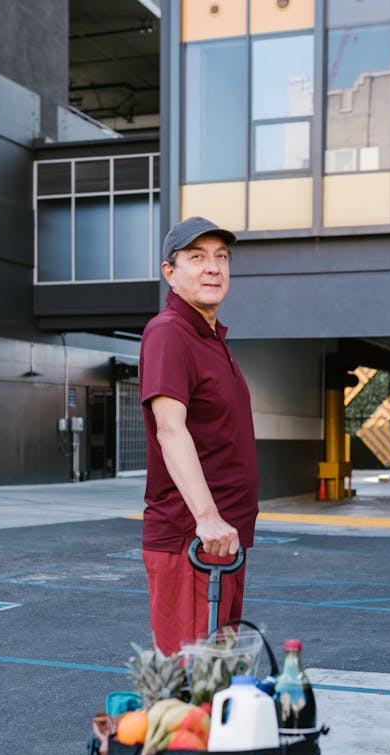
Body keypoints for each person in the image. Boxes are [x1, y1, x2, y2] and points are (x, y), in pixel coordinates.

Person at [139, 215, 259, 655]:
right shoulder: (170, 333)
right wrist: (207, 516)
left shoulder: (210, 337)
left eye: (221, 257)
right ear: (170, 272)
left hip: (223, 539)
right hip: (192, 538)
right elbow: (170, 429)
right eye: (197, 257)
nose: (214, 267)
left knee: (215, 680)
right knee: (189, 685)